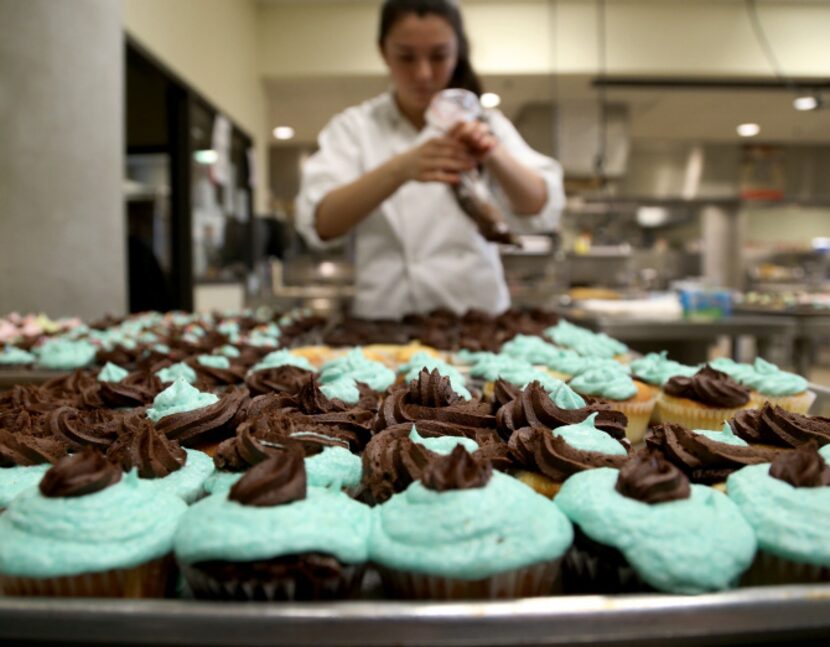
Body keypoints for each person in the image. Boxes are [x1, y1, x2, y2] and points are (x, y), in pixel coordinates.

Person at [295, 0, 565, 319]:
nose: (423, 73)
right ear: (384, 52)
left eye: (439, 56)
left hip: (478, 324)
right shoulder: (355, 128)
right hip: (386, 326)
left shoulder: (486, 123)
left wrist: (492, 152)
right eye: (406, 57)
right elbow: (321, 223)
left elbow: (542, 207)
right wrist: (401, 168)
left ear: (458, 52)